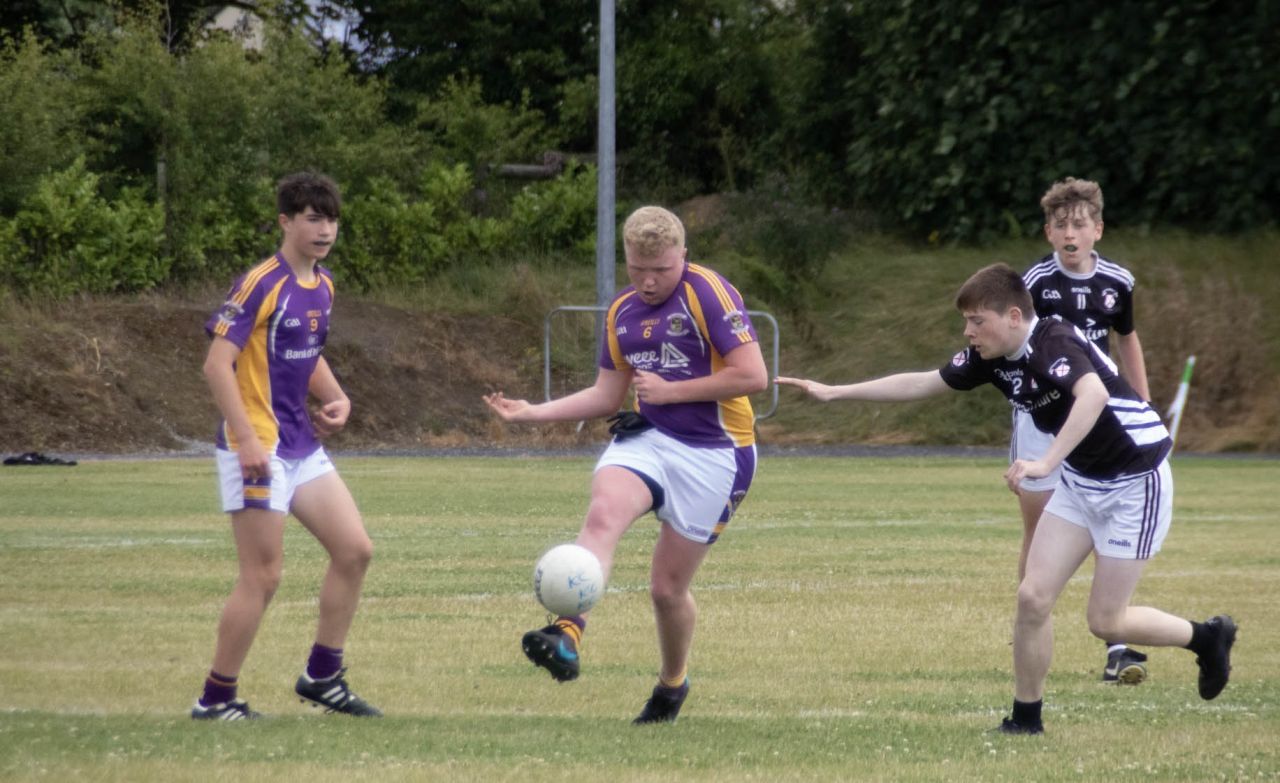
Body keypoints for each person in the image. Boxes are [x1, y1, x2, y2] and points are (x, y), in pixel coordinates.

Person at [776, 263, 1235, 735]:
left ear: (1013, 316)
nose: (968, 331)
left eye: (977, 321)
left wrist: (1046, 461)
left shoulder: (1053, 340)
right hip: (1082, 479)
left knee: (1106, 621)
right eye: (966, 322)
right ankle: (1025, 720)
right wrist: (835, 393)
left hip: (1135, 479)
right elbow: (923, 382)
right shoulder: (991, 357)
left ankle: (1206, 638)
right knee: (1033, 598)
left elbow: (1092, 394)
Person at [484, 205, 767, 724]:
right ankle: (567, 633)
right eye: (638, 268)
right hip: (650, 438)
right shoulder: (623, 312)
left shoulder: (708, 293)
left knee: (666, 588)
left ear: (682, 254)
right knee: (603, 515)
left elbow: (753, 376)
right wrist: (532, 413)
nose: (649, 280)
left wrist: (672, 390)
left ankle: (671, 685)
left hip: (717, 454)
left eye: (660, 269)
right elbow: (605, 395)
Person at [191, 172, 380, 720]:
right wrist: (246, 438)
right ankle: (216, 698)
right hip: (258, 446)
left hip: (300, 444)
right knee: (263, 574)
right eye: (312, 218)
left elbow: (306, 349)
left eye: (332, 219)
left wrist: (336, 395)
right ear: (285, 222)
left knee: (354, 550)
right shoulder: (260, 282)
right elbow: (216, 363)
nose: (325, 230)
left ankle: (323, 676)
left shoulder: (323, 285)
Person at [1016, 177, 1153, 685]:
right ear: (1049, 233)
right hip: (1042, 420)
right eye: (1060, 225)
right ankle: (1031, 630)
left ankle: (1117, 644)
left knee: (1103, 528)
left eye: (1079, 224)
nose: (1070, 233)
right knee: (1039, 526)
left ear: (1098, 229)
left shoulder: (1118, 281)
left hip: (1101, 419)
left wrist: (1142, 403)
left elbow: (1128, 341)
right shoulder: (1034, 282)